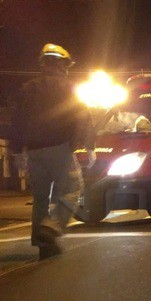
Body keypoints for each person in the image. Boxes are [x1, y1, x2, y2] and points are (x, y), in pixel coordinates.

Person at [11, 43, 95, 260]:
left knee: (40, 198)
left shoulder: (27, 88)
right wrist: (90, 146)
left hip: (33, 151)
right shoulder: (69, 88)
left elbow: (17, 121)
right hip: (59, 148)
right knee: (73, 188)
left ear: (43, 64)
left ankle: (43, 245)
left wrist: (17, 151)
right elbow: (83, 118)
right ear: (62, 65)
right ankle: (52, 226)